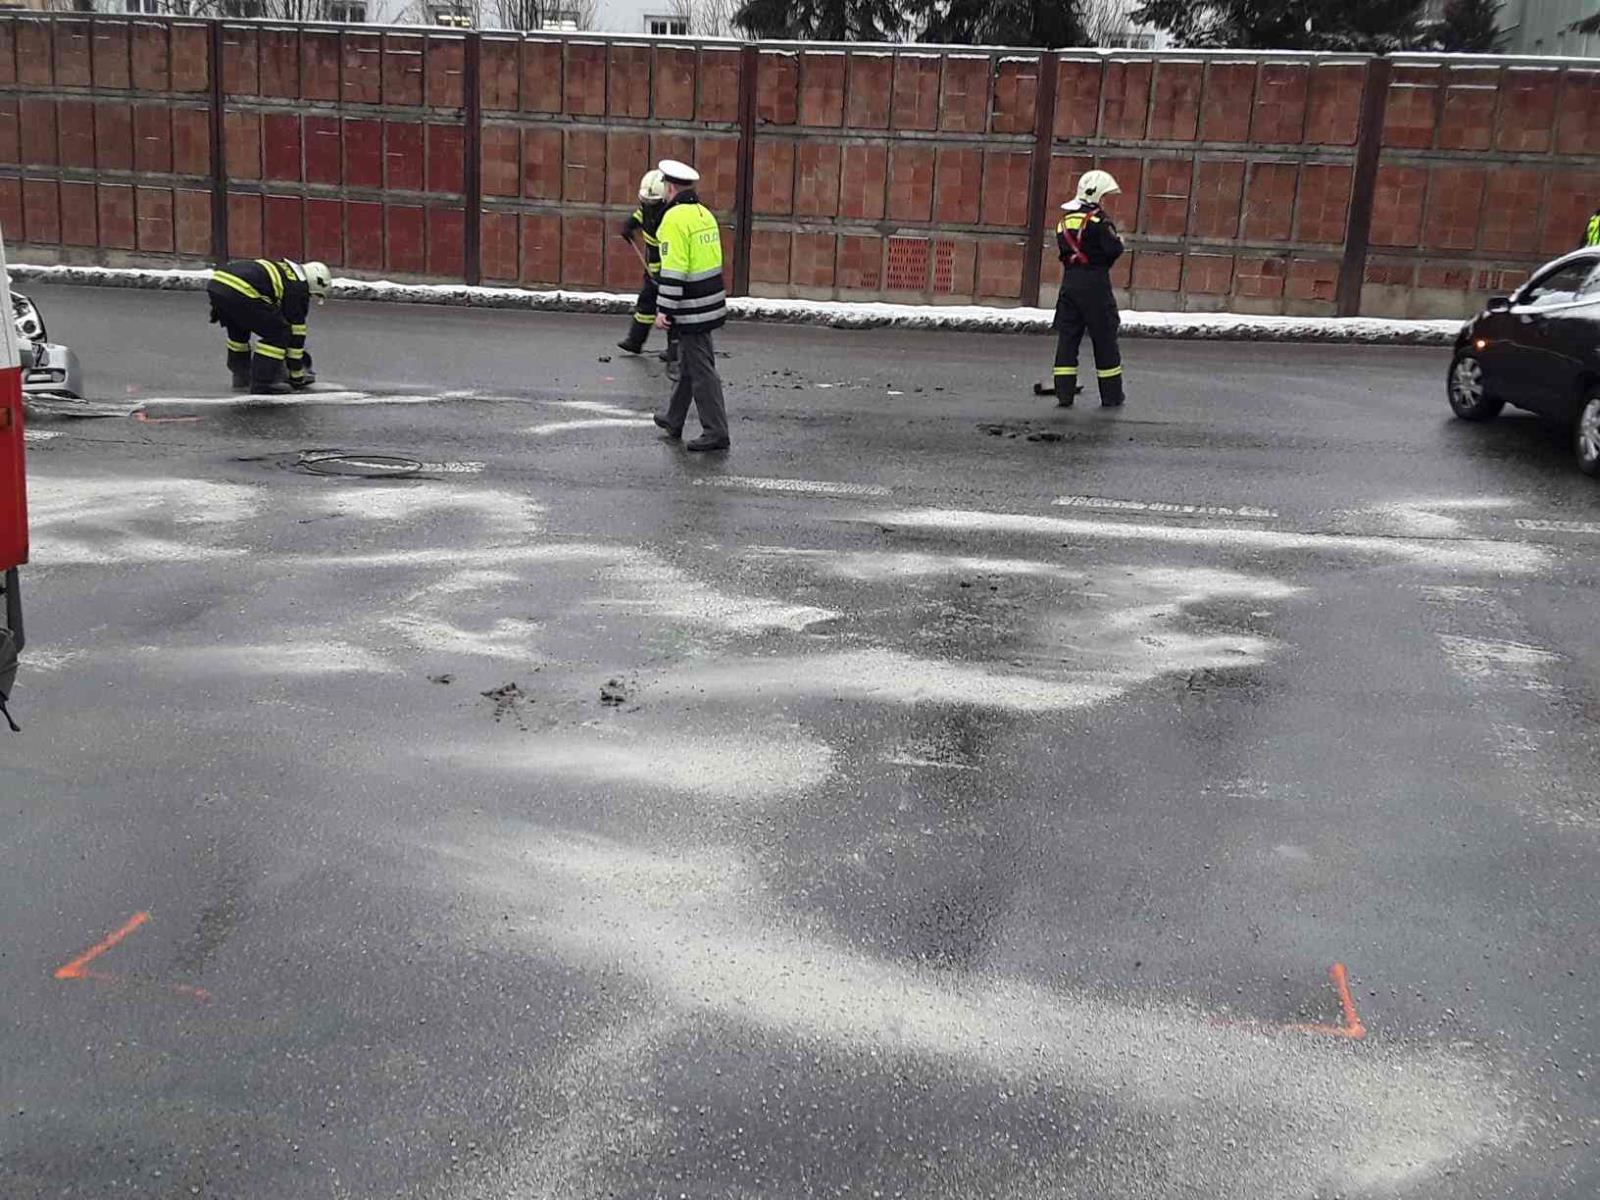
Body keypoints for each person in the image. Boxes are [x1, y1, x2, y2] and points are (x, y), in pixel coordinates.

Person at [653, 159, 729, 452]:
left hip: (692, 306)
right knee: (690, 363)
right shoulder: (703, 214)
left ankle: (716, 431)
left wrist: (664, 310)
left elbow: (674, 269)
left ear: (670, 188)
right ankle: (674, 418)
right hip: (710, 301)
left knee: (701, 370)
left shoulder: (672, 220)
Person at [1037, 169, 1125, 409]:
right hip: (1095, 285)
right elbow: (1113, 250)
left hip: (1070, 285)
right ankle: (1112, 396)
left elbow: (1065, 250)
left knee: (1067, 339)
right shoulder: (1099, 221)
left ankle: (1064, 394)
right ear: (1096, 195)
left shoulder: (1063, 221)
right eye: (1104, 196)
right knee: (1104, 339)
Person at [207, 258, 331, 395]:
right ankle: (263, 383)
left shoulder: (286, 271)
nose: (309, 299)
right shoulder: (298, 288)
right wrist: (297, 376)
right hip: (241, 289)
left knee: (239, 332)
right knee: (279, 334)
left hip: (218, 283)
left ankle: (241, 377)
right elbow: (296, 337)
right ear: (314, 282)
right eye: (314, 295)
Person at [617, 169, 670, 356]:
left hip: (670, 269)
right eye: (645, 201)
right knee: (646, 304)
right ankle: (635, 340)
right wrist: (630, 224)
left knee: (672, 309)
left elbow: (670, 249)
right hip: (652, 267)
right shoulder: (649, 208)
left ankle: (676, 349)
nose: (648, 205)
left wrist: (666, 274)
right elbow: (641, 215)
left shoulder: (670, 216)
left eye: (652, 202)